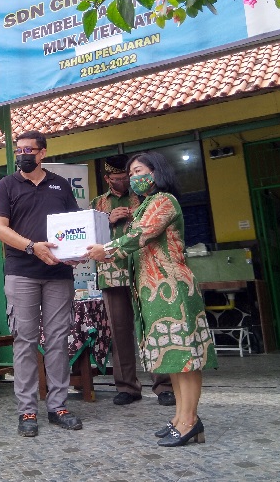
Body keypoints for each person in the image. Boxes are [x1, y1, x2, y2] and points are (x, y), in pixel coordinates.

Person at [86, 152, 218, 447]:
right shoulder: (146, 204)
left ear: (157, 172)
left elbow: (141, 236)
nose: (134, 178)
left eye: (138, 171)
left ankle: (190, 420)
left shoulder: (164, 201)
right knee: (173, 357)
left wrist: (104, 250)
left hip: (172, 287)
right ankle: (180, 418)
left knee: (186, 357)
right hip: (152, 289)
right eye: (131, 173)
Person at [0, 130, 83, 437]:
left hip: (58, 274)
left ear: (42, 152)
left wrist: (76, 252)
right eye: (19, 151)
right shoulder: (6, 185)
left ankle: (58, 406)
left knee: (58, 341)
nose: (23, 155)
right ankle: (27, 410)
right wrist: (32, 247)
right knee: (25, 341)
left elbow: (75, 226)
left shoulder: (60, 184)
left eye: (29, 150)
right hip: (21, 272)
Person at [91, 155, 175, 407]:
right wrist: (107, 219)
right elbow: (88, 239)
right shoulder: (98, 203)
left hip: (144, 272)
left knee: (151, 329)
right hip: (112, 273)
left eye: (127, 176)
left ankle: (164, 385)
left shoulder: (146, 198)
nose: (124, 181)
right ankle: (127, 386)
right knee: (119, 333)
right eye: (117, 179)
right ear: (107, 179)